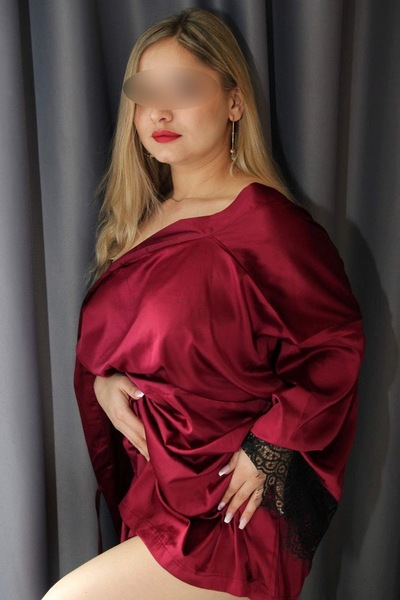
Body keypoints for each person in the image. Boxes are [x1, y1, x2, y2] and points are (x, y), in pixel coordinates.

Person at [43, 8, 365, 600]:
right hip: (159, 488)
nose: (159, 112)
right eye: (145, 93)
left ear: (235, 102)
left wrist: (270, 447)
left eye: (185, 90)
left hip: (231, 508)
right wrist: (103, 385)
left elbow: (334, 347)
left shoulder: (266, 225)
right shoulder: (140, 222)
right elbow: (132, 346)